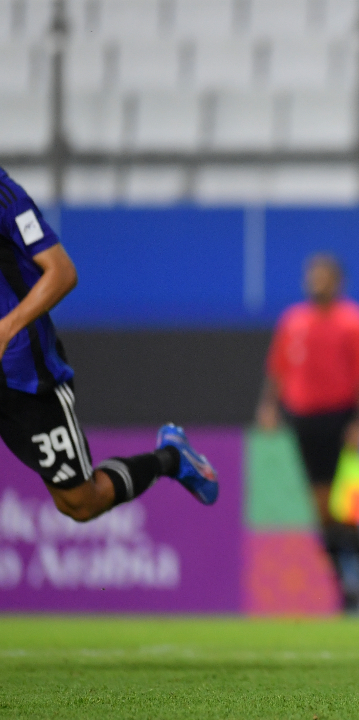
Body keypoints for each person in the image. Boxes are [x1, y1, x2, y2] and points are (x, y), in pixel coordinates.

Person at [0, 166, 218, 522]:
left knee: (81, 502)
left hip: (24, 372)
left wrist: (7, 328)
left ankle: (173, 459)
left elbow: (62, 272)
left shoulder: (6, 198)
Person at [256, 253, 359, 613]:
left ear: (337, 282)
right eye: (312, 276)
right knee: (320, 508)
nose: (316, 283)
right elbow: (278, 369)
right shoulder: (293, 321)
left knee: (344, 505)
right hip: (305, 420)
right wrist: (269, 406)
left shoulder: (356, 323)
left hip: (341, 419)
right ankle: (343, 585)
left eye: (323, 277)